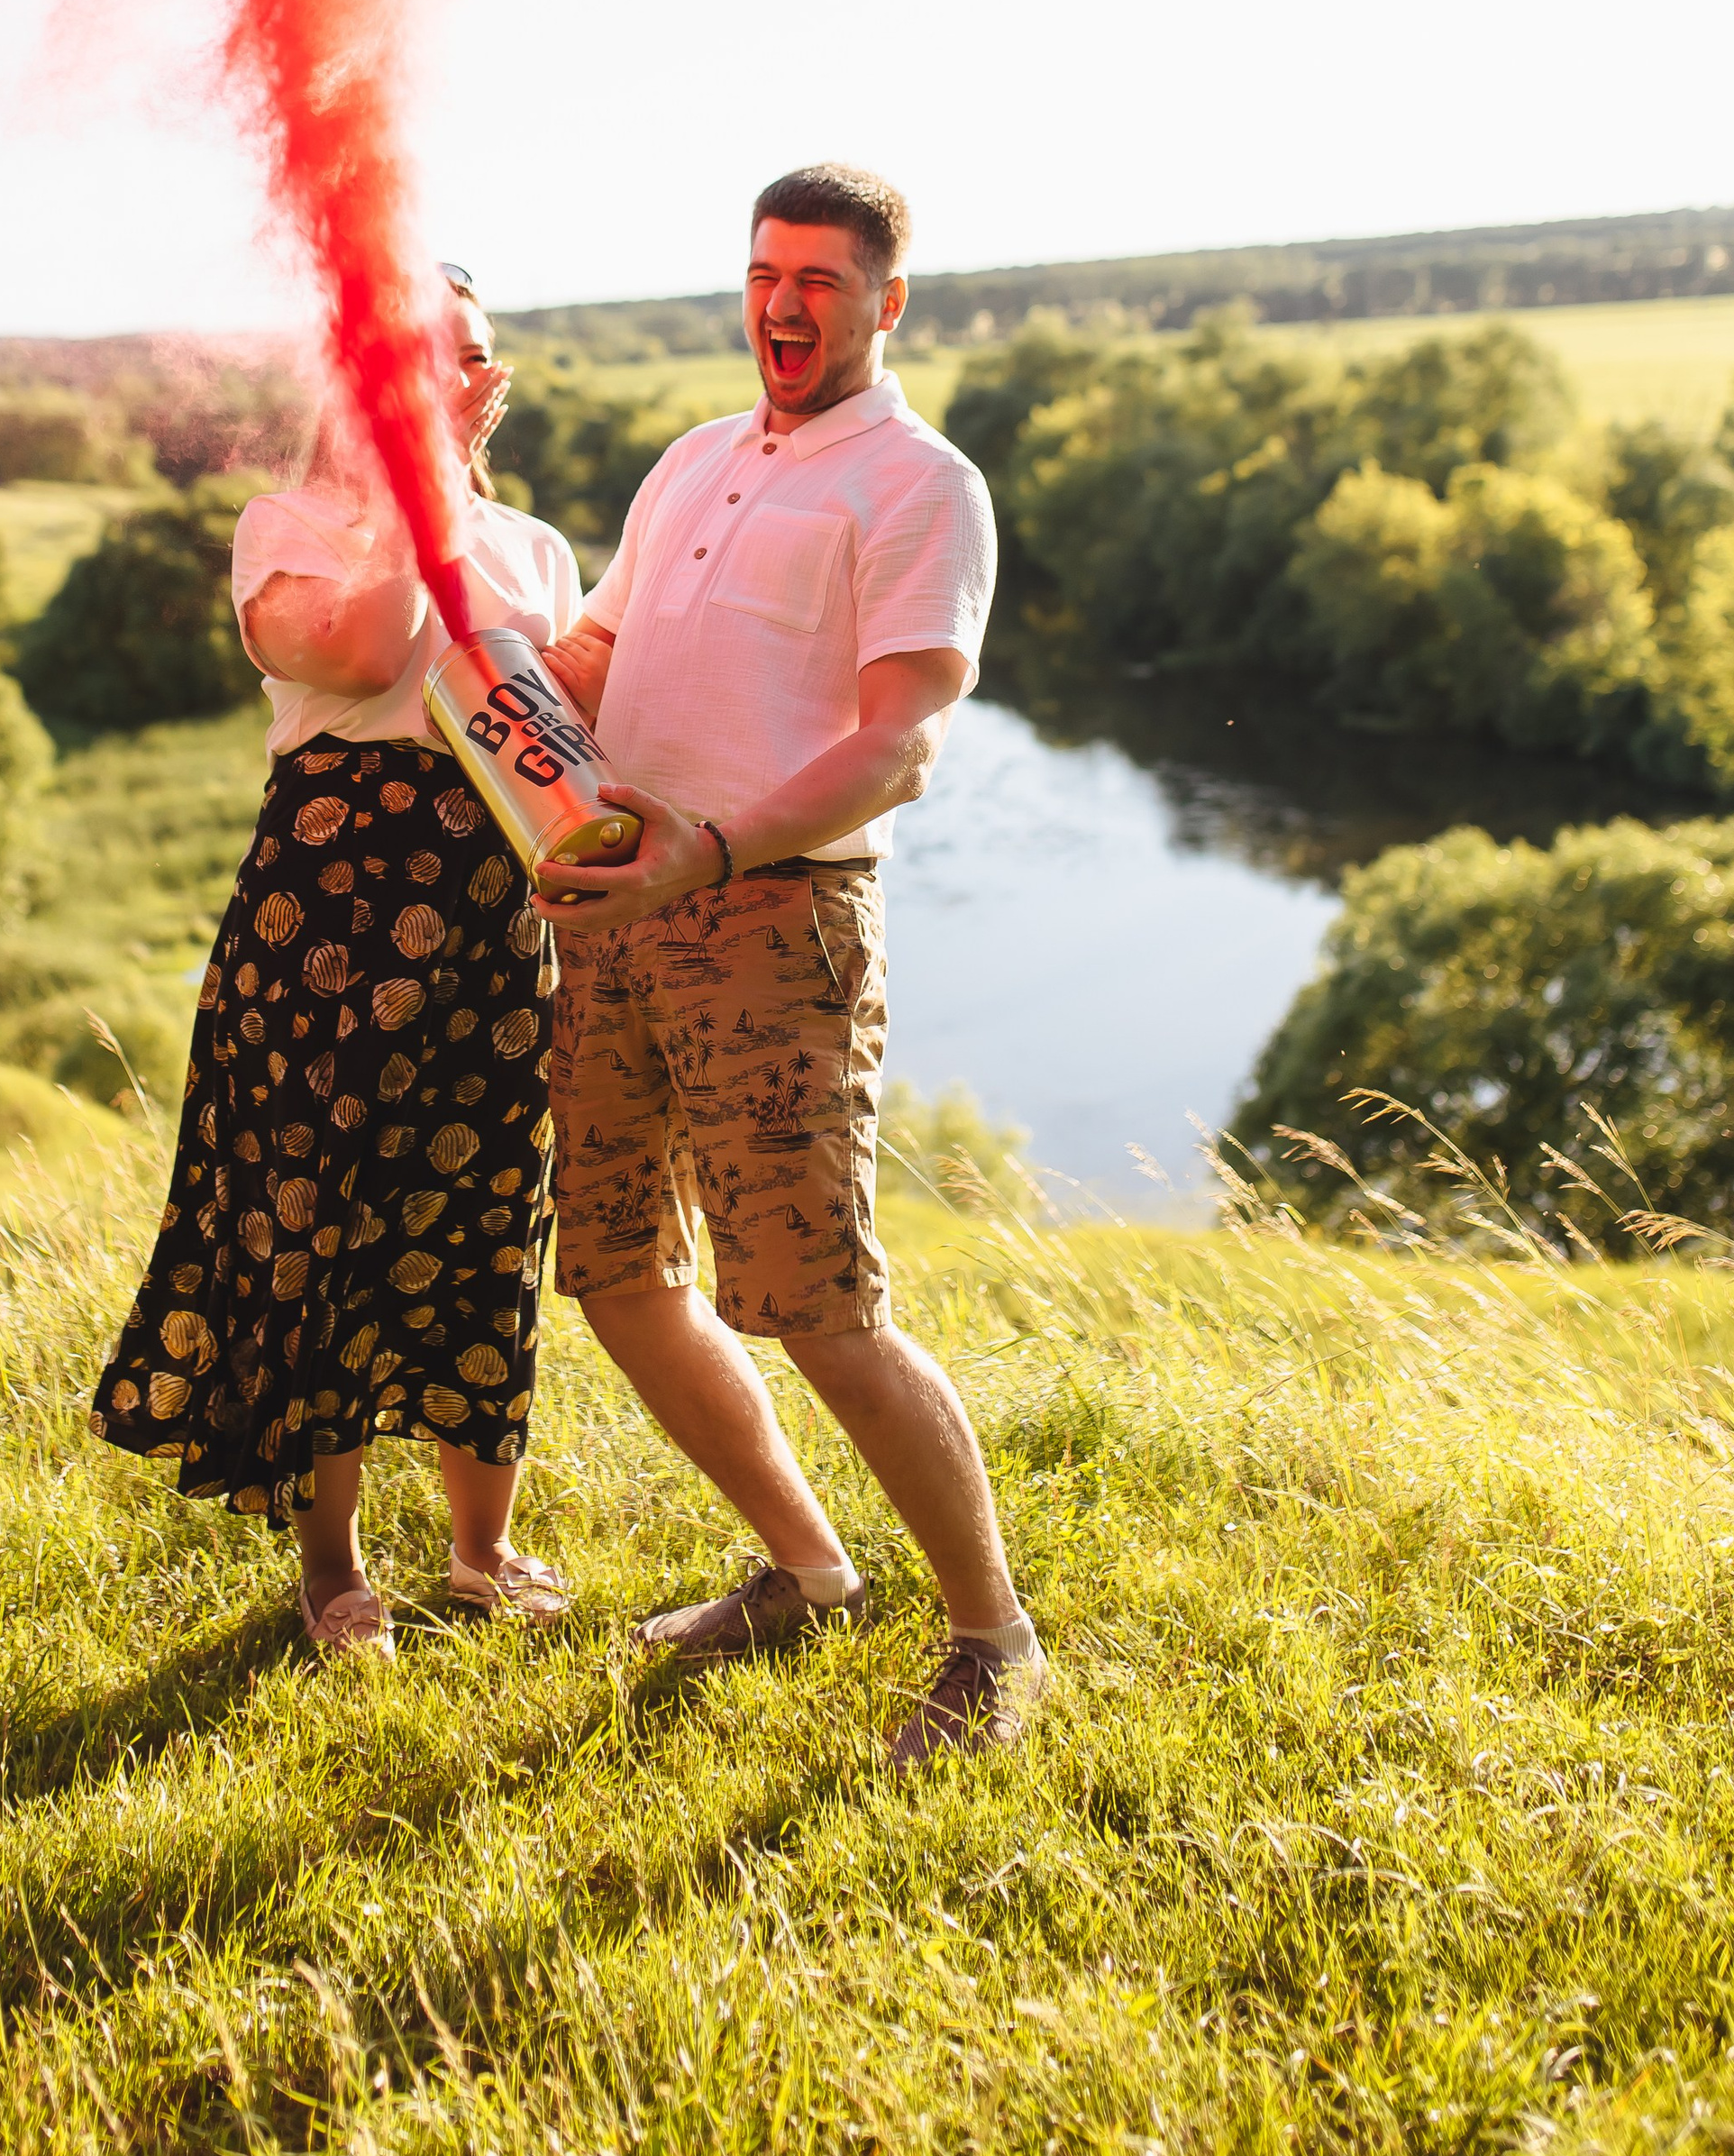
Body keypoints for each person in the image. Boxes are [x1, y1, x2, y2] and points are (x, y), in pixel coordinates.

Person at [538, 162, 1047, 1761]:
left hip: (774, 922)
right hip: (618, 909)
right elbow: (598, 649)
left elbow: (901, 744)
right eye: (766, 273)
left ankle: (994, 1640)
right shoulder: (693, 460)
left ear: (887, 302)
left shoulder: (920, 485)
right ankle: (809, 1571)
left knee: (819, 1304)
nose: (784, 304)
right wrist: (498, 677)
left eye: (821, 280)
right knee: (613, 1267)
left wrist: (709, 849)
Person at [89, 268, 581, 1657]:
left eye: (472, 355)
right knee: (323, 1235)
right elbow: (366, 655)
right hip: (326, 933)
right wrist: (412, 489)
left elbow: (569, 738)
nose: (455, 378)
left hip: (496, 929)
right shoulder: (292, 528)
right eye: (418, 356)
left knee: (488, 1225)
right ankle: (332, 1568)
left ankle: (482, 1553)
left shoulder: (536, 550)